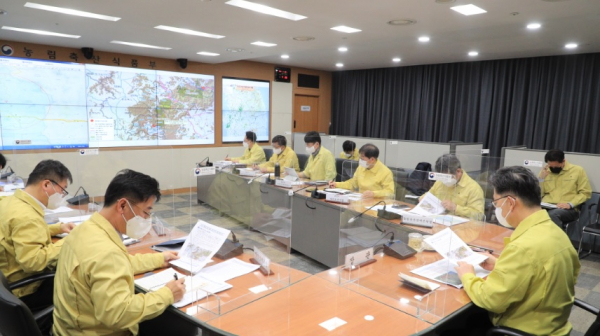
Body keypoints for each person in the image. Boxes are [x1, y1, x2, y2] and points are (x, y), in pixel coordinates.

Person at [53, 169, 186, 336]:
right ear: (122, 205)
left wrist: (159, 259)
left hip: (68, 327)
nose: (147, 220)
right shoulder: (106, 251)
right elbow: (118, 314)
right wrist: (168, 294)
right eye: (146, 212)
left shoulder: (87, 229)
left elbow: (115, 265)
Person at [455, 166, 580, 335]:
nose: (496, 209)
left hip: (521, 330)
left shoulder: (522, 247)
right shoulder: (556, 232)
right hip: (554, 324)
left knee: (454, 324)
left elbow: (490, 300)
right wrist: (499, 264)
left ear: (511, 202)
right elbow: (538, 270)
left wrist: (467, 275)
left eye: (496, 203)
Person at [0, 159, 75, 309]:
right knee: (81, 282)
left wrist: (58, 228)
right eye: (63, 190)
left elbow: (16, 233)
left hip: (7, 285)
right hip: (26, 291)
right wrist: (71, 241)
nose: (62, 195)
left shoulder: (10, 202)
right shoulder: (27, 216)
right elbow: (33, 262)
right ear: (46, 184)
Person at [539, 149, 591, 227]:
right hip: (547, 205)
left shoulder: (577, 170)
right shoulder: (545, 171)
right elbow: (539, 193)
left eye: (555, 166)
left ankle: (558, 238)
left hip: (568, 209)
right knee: (528, 212)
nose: (552, 168)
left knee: (552, 215)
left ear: (563, 161)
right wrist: (541, 179)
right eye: (550, 166)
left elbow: (586, 193)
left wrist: (570, 204)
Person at [421, 154, 484, 218]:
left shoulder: (474, 188)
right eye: (442, 176)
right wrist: (423, 198)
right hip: (438, 221)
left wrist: (456, 208)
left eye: (447, 177)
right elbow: (429, 195)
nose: (444, 180)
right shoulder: (440, 182)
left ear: (458, 171)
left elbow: (479, 216)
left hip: (461, 226)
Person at [329, 144, 394, 198]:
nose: (360, 161)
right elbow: (352, 184)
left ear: (372, 159)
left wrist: (373, 194)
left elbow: (389, 192)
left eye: (362, 159)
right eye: (360, 158)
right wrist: (336, 184)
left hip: (376, 204)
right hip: (361, 200)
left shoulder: (386, 172)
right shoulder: (361, 167)